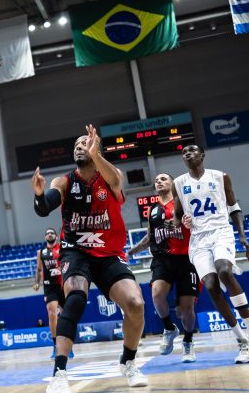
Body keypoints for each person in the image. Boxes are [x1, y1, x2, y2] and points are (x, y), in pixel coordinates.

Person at [34, 125, 148, 393]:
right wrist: (39, 195)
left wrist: (96, 155)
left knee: (135, 304)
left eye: (84, 143)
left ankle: (128, 362)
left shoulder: (111, 177)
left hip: (109, 253)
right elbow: (44, 208)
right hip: (76, 251)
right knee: (75, 297)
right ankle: (59, 373)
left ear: (96, 149)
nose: (79, 147)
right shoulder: (64, 182)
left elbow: (114, 179)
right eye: (76, 145)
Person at [172, 144, 249, 363]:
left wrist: (242, 235)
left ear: (202, 155)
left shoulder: (220, 177)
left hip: (221, 232)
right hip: (198, 239)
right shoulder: (178, 183)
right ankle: (242, 341)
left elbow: (234, 207)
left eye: (192, 151)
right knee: (210, 285)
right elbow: (177, 216)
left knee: (224, 271)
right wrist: (181, 221)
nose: (187, 154)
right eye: (184, 153)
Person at [127, 173, 199, 362]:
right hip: (162, 258)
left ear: (173, 184)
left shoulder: (183, 202)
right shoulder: (152, 209)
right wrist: (132, 251)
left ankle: (188, 341)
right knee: (157, 293)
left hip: (186, 259)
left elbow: (197, 225)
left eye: (163, 179)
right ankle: (168, 328)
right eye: (157, 180)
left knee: (186, 308)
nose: (159, 181)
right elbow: (150, 236)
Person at [33, 227, 66, 359]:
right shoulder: (41, 252)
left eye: (52, 233)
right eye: (47, 233)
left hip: (63, 285)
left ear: (56, 236)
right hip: (49, 287)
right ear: (45, 237)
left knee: (65, 316)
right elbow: (39, 269)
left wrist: (61, 270)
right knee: (52, 314)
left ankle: (67, 345)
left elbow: (68, 263)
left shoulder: (62, 248)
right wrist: (36, 282)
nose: (49, 234)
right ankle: (55, 346)